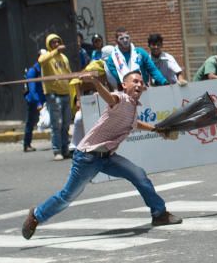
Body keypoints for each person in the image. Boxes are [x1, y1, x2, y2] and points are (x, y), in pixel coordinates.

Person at [21, 69, 183, 240]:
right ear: (124, 85)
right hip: (87, 158)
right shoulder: (121, 99)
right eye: (134, 81)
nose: (138, 84)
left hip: (107, 157)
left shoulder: (133, 107)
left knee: (139, 174)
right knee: (68, 196)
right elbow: (109, 98)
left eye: (141, 82)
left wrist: (157, 129)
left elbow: (134, 124)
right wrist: (95, 82)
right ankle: (37, 216)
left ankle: (159, 214)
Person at [39, 34, 73, 160]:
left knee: (66, 124)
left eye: (58, 42)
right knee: (56, 124)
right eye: (53, 42)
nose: (57, 44)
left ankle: (65, 149)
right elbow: (41, 61)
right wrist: (54, 52)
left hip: (65, 93)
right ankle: (57, 150)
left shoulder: (63, 57)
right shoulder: (47, 56)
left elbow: (68, 73)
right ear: (49, 44)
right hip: (53, 94)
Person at [23, 61, 46, 152]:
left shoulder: (42, 70)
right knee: (30, 122)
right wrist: (38, 103)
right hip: (33, 101)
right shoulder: (33, 71)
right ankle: (27, 144)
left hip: (41, 100)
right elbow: (32, 90)